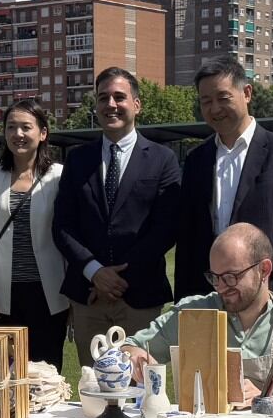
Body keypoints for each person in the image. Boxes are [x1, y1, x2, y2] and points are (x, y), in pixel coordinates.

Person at [51, 67, 181, 365]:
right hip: (88, 296)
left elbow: (166, 228)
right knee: (92, 383)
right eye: (103, 98)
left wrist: (116, 278)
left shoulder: (163, 159)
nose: (110, 104)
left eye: (119, 97)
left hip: (140, 295)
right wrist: (95, 272)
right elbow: (63, 226)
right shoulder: (77, 159)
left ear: (137, 104)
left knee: (139, 382)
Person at [122, 224, 273, 406]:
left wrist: (266, 401)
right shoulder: (192, 314)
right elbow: (131, 346)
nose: (221, 287)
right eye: (215, 277)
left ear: (264, 270)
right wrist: (134, 356)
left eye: (231, 277)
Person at [177, 55, 273, 310]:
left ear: (247, 93)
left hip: (264, 302)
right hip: (207, 303)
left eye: (223, 98)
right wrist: (184, 306)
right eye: (206, 101)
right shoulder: (196, 160)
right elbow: (187, 243)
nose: (215, 108)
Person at [0, 98, 70, 367]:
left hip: (49, 293)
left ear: (43, 132)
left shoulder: (59, 176)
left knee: (47, 371)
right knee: (5, 370)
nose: (18, 134)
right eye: (11, 127)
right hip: (2, 293)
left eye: (26, 127)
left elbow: (69, 236)